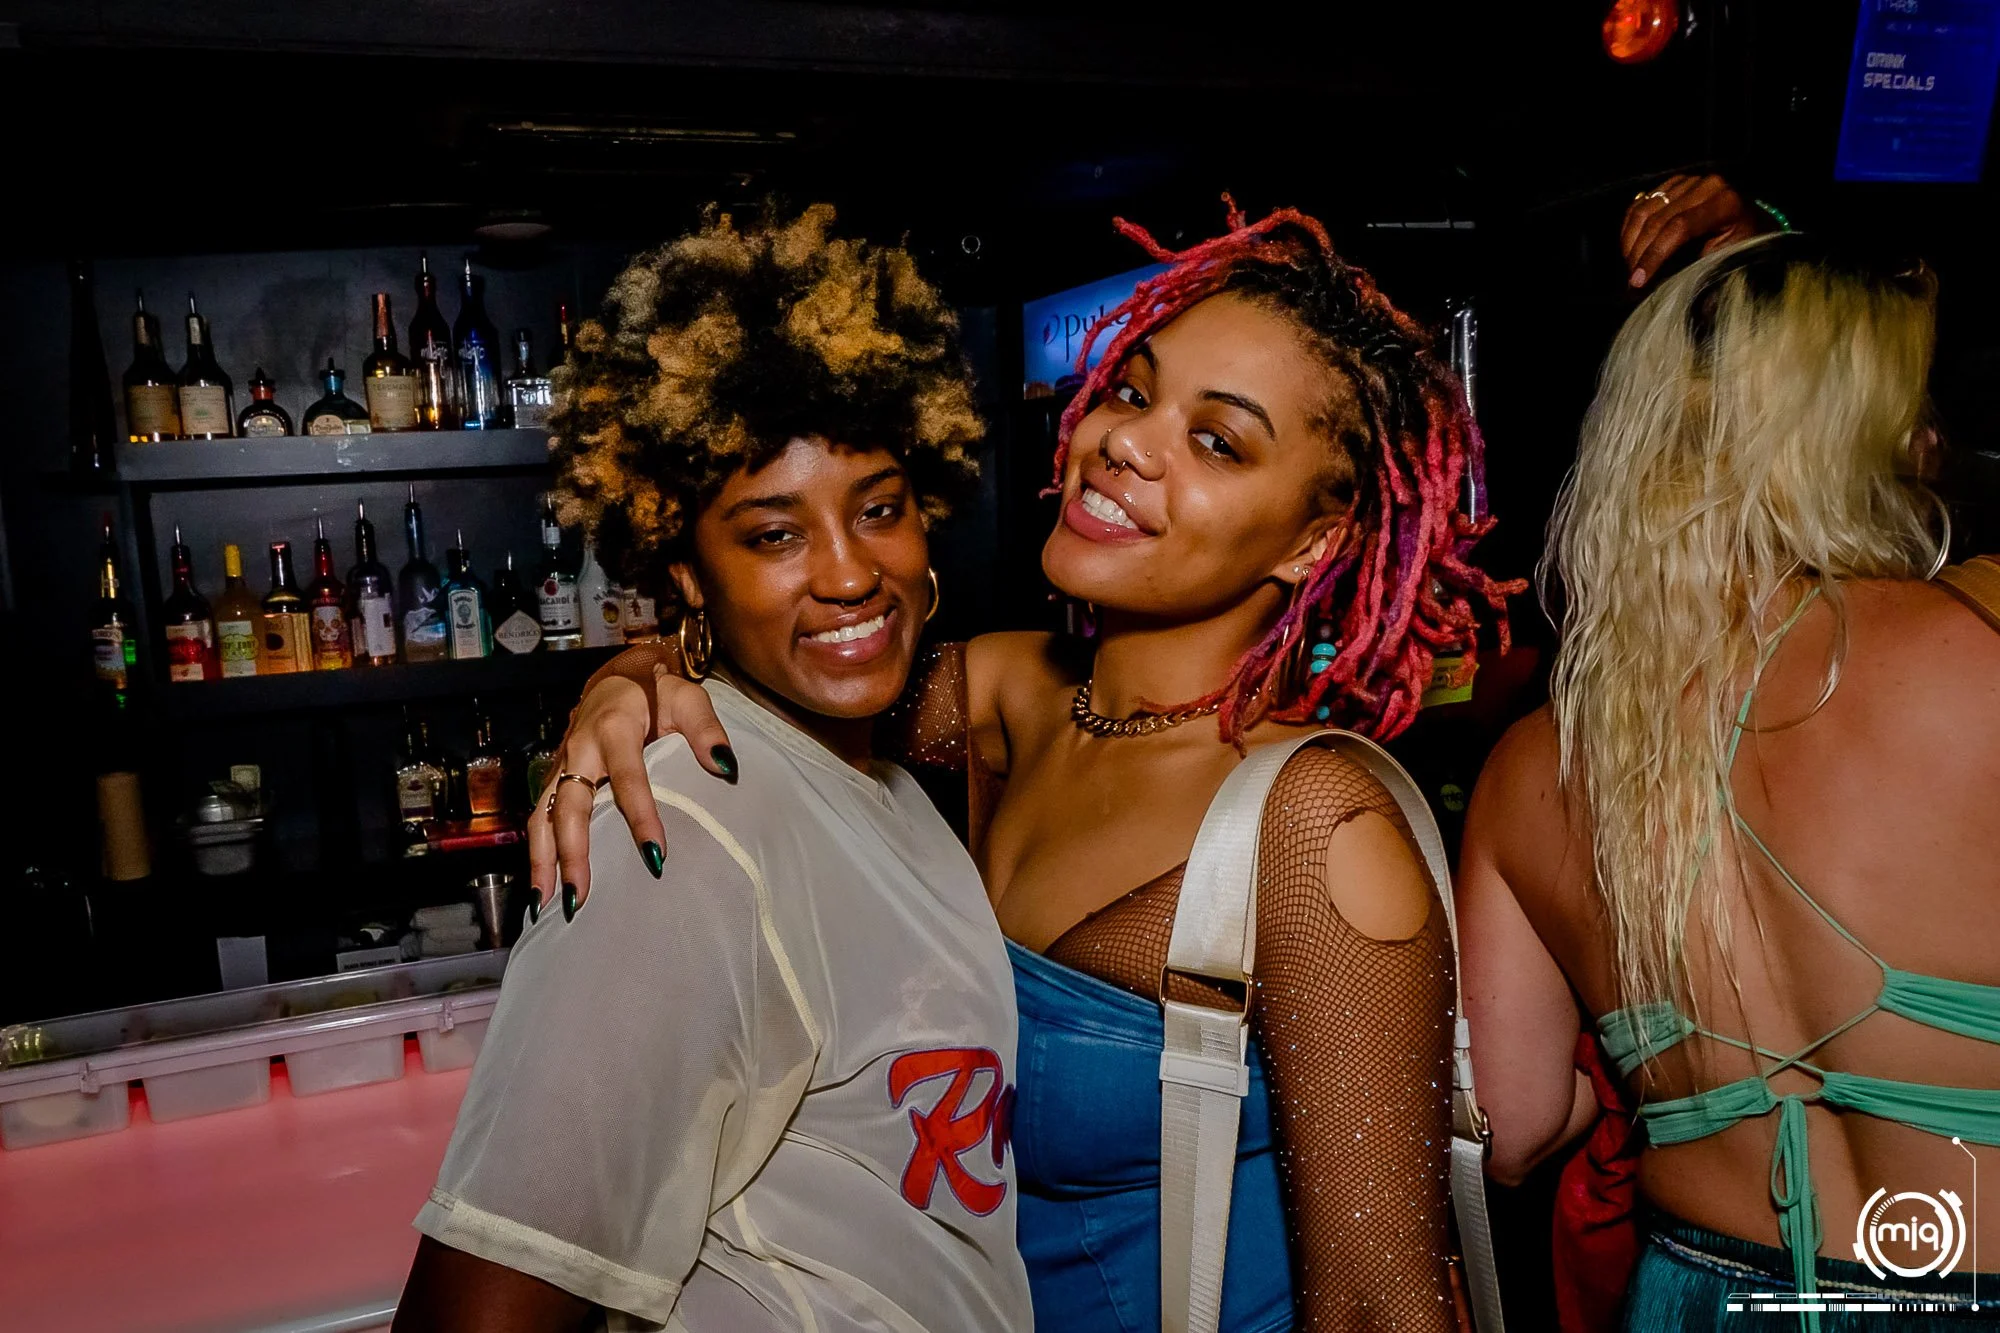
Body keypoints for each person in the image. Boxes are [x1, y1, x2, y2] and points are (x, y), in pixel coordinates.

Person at [533, 199, 1525, 1330]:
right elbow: (796, 647)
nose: (1126, 442)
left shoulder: (1316, 826)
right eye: (1133, 392)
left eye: (1217, 441)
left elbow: (1380, 1303)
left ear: (1313, 539)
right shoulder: (1008, 699)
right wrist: (633, 675)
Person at [393, 205, 1030, 1333]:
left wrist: (630, 671)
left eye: (879, 510)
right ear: (686, 571)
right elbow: (480, 1311)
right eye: (774, 534)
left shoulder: (891, 784)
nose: (850, 573)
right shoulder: (673, 839)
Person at [1458, 232, 2000, 1331]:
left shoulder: (1535, 763)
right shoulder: (1981, 641)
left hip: (1698, 1289)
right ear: (1887, 432)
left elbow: (1508, 1126)